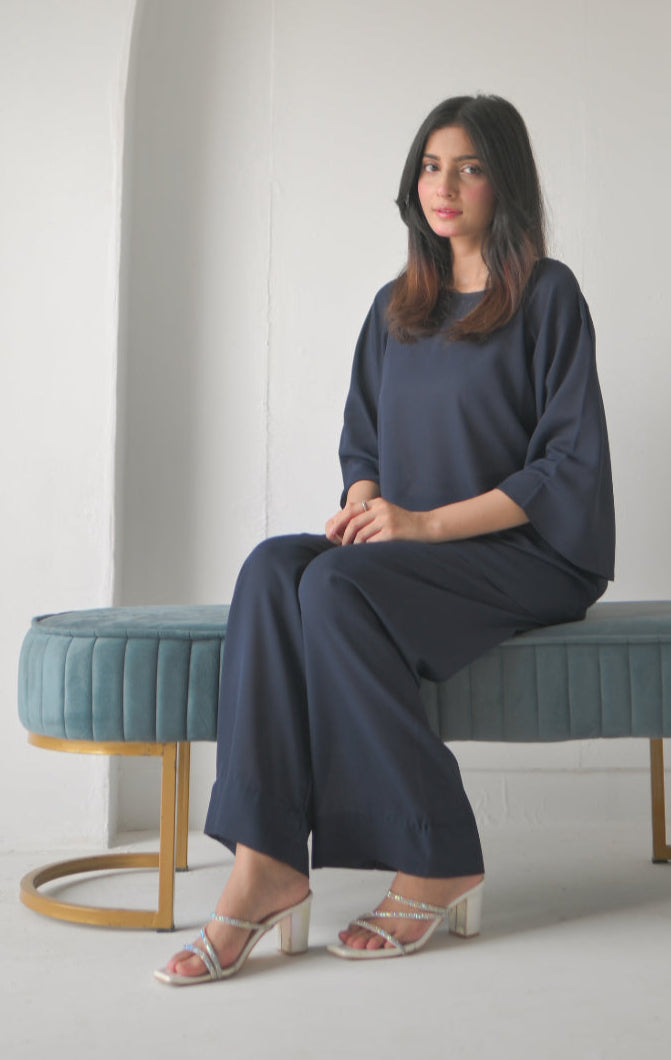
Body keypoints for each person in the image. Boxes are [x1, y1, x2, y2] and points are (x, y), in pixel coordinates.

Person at [156, 94, 615, 985]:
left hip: (531, 555)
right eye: (432, 165)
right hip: (414, 555)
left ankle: (438, 851)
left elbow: (566, 465)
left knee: (333, 589)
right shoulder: (395, 305)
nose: (445, 185)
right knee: (272, 570)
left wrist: (423, 524)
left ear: (504, 183)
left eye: (470, 167)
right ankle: (267, 862)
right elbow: (361, 441)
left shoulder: (547, 296)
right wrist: (365, 502)